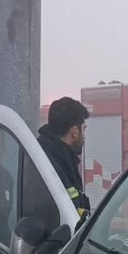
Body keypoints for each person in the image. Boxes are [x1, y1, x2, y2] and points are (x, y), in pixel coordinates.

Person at [37, 96, 91, 224]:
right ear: (75, 132)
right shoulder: (51, 164)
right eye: (84, 129)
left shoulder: (61, 159)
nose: (85, 137)